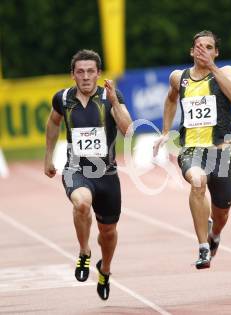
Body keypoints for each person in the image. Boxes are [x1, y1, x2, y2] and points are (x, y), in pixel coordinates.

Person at [44, 49, 132, 299]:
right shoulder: (62, 98)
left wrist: (115, 101)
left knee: (108, 233)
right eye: (80, 72)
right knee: (81, 203)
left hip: (107, 174)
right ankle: (84, 252)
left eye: (90, 71)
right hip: (76, 169)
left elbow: (127, 131)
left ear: (98, 74)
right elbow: (53, 122)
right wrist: (48, 157)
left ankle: (105, 269)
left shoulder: (109, 97)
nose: (85, 77)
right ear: (73, 75)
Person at [153, 30, 231, 269]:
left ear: (216, 52)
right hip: (192, 150)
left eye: (209, 47)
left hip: (221, 153)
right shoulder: (178, 77)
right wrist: (164, 131)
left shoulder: (226, 73)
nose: (204, 50)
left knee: (222, 212)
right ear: (192, 51)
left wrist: (212, 67)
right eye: (199, 46)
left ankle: (214, 234)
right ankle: (203, 246)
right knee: (197, 180)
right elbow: (171, 99)